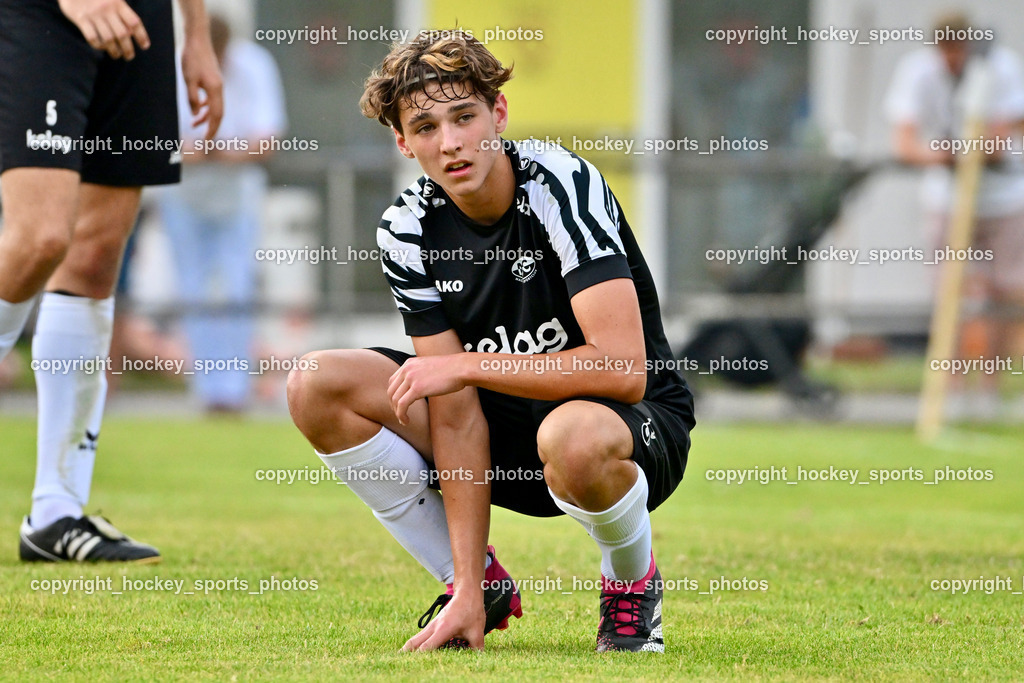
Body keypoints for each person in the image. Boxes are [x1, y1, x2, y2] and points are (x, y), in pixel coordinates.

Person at [287, 31, 695, 653]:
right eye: (424, 127)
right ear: (402, 142)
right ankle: (470, 584)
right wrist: (467, 590)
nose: (449, 142)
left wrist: (470, 364)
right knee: (316, 383)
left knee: (573, 436)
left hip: (627, 428)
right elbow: (455, 412)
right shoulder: (407, 228)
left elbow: (623, 369)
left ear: (498, 114)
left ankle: (631, 584)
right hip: (503, 436)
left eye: (464, 117)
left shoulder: (560, 184)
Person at [0, 0, 223, 562]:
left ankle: (55, 514)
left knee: (97, 259)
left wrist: (195, 36)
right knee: (39, 238)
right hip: (42, 16)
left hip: (141, 26)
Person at [885, 12, 1024, 414]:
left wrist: (980, 149)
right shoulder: (917, 72)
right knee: (949, 290)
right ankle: (951, 388)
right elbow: (905, 141)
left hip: (1004, 197)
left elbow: (1005, 130)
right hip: (948, 198)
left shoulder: (1000, 67)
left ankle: (991, 388)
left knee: (1007, 288)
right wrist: (945, 155)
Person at [156, 13, 286, 413]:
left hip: (236, 194)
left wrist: (227, 152)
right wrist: (191, 152)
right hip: (183, 195)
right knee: (192, 291)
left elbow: (269, 137)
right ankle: (207, 392)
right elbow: (158, 141)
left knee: (236, 290)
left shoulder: (255, 64)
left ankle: (234, 390)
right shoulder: (169, 66)